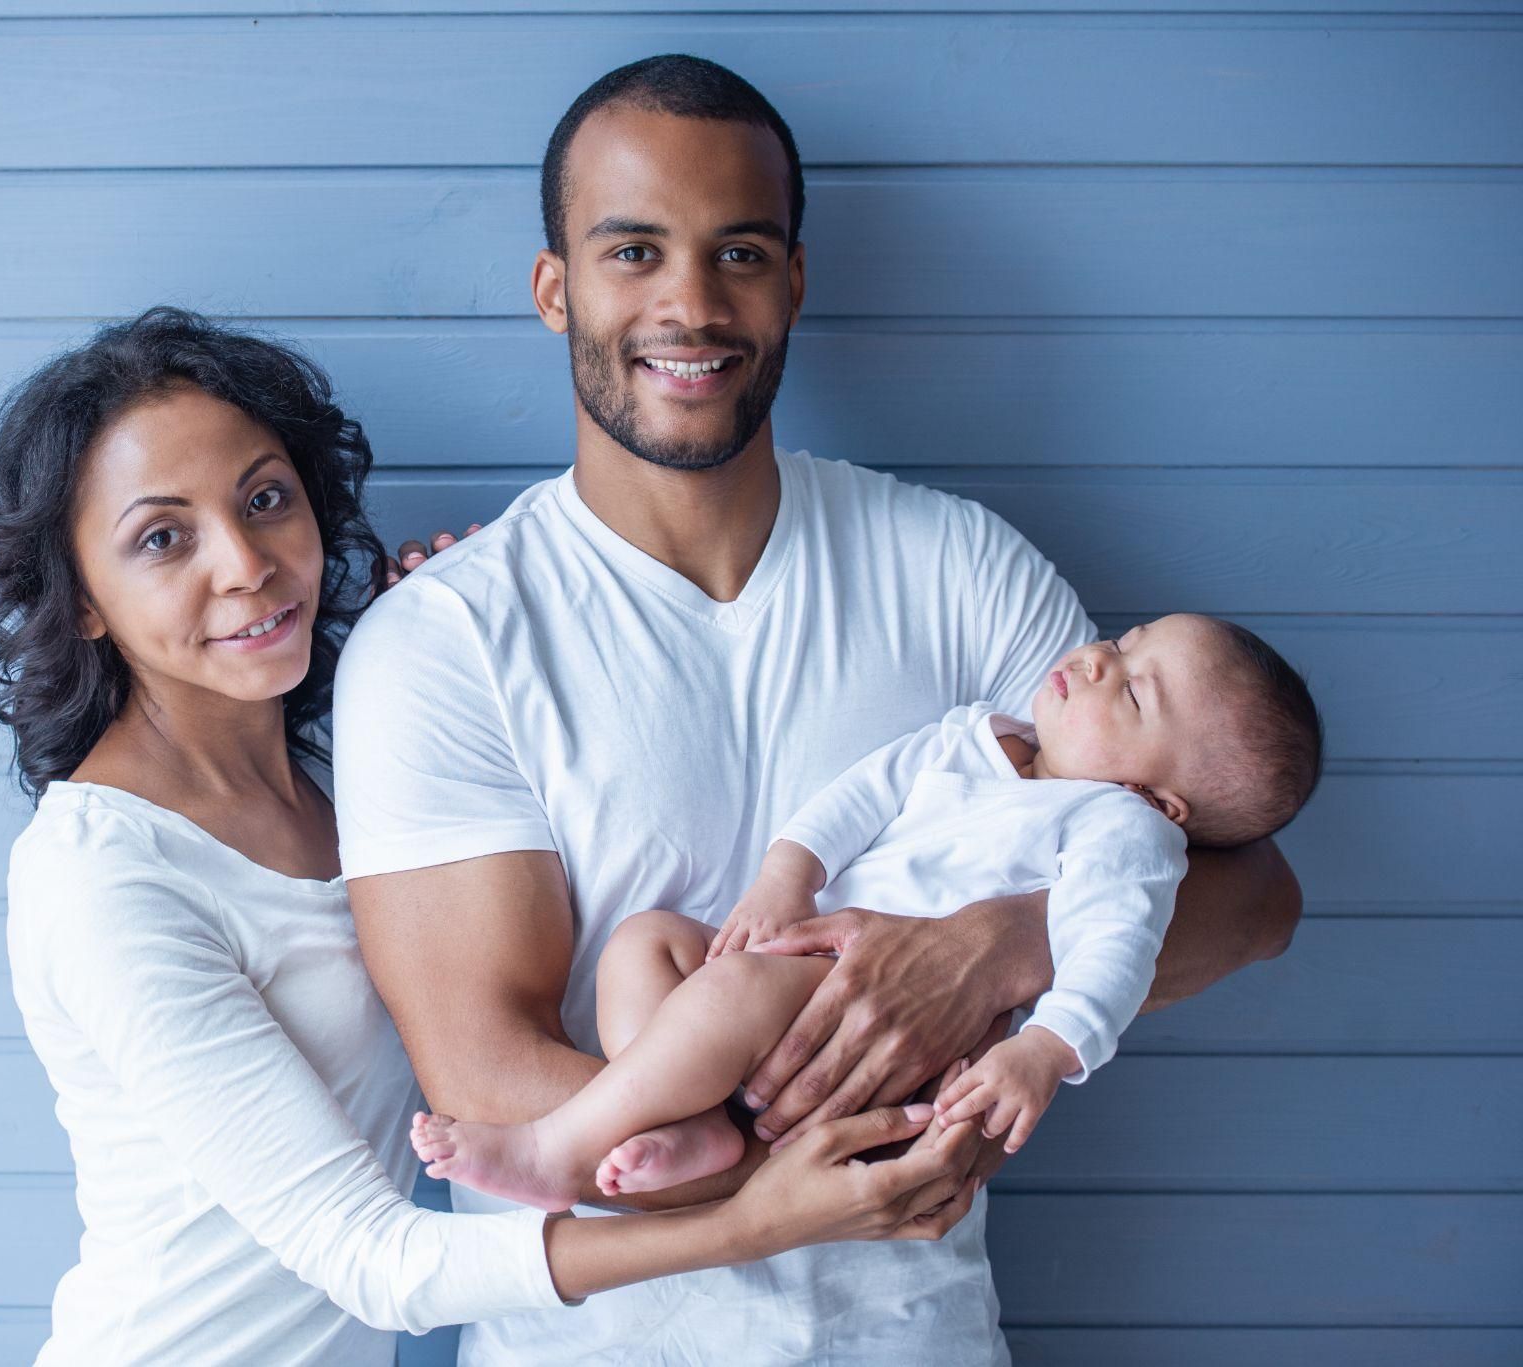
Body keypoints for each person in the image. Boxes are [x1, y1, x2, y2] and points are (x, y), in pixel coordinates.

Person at [332, 56, 1303, 1365]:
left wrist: (998, 948)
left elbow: (1250, 895)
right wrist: (776, 1184)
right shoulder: (443, 640)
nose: (689, 302)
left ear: (793, 278)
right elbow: (481, 1077)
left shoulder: (957, 566)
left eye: (737, 251)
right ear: (555, 287)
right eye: (634, 250)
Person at [0, 306, 990, 1367]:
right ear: (80, 596)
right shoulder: (101, 877)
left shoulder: (332, 789)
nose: (246, 563)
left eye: (264, 499)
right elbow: (371, 1258)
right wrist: (754, 1222)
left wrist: (419, 658)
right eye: (162, 537)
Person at [408, 614, 1323, 1209]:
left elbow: (1114, 952)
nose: (1093, 658)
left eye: (1128, 689)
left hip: (887, 1047)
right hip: (805, 950)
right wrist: (786, 877)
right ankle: (689, 1126)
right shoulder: (979, 734)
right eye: (1122, 642)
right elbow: (856, 798)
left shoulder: (1118, 830)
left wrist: (1044, 1050)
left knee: (729, 995)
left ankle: (558, 1153)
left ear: (1157, 797)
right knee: (644, 944)